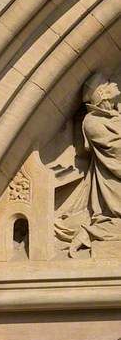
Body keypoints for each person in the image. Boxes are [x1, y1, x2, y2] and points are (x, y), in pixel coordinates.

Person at [55, 71, 121, 256]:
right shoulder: (93, 122)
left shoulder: (114, 114)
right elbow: (116, 151)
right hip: (114, 184)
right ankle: (89, 232)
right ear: (102, 94)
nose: (114, 84)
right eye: (108, 82)